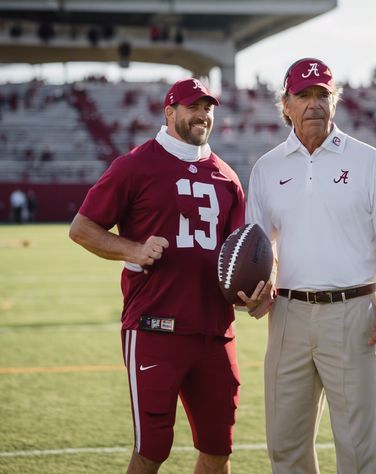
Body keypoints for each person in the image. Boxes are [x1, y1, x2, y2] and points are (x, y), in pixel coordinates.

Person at [238, 58, 376, 474]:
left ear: (335, 102)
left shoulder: (370, 161)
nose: (314, 104)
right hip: (287, 316)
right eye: (303, 95)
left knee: (357, 448)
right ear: (286, 104)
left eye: (323, 95)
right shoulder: (266, 168)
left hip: (353, 313)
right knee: (285, 445)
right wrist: (258, 294)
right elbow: (259, 250)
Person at [69, 78, 245, 474]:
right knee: (151, 452)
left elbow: (236, 256)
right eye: (192, 107)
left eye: (208, 108)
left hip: (216, 332)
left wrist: (254, 289)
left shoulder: (227, 177)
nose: (202, 115)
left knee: (219, 450)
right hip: (155, 328)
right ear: (170, 112)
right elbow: (82, 228)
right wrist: (132, 250)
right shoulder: (136, 164)